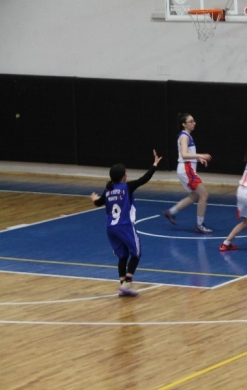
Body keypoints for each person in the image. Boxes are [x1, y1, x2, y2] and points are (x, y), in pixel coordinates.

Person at [90, 150, 163, 297]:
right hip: (125, 226)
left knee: (123, 256)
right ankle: (128, 282)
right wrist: (154, 165)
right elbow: (144, 179)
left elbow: (98, 203)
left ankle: (123, 285)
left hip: (111, 228)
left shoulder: (108, 190)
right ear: (124, 176)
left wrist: (94, 198)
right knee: (136, 253)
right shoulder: (127, 187)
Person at [162, 113, 213, 234]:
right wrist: (200, 155)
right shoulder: (184, 137)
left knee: (194, 196)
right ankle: (199, 225)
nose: (194, 123)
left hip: (187, 168)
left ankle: (171, 212)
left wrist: (197, 159)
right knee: (204, 195)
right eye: (191, 121)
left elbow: (187, 155)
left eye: (194, 121)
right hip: (186, 169)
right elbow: (184, 154)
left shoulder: (187, 136)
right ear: (184, 124)